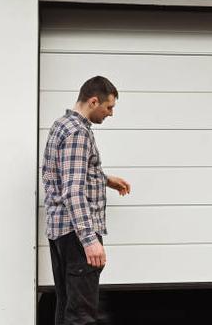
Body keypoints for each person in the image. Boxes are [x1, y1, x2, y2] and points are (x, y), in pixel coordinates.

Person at [42, 76, 131, 324]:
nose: (110, 113)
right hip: (77, 234)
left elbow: (64, 174)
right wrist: (89, 239)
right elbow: (73, 190)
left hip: (62, 231)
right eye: (109, 107)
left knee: (67, 308)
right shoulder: (77, 134)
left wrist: (104, 179)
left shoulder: (62, 125)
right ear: (93, 101)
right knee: (82, 315)